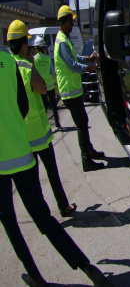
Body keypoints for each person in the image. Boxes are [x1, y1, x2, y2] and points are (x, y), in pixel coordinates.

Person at [0, 46, 111, 287]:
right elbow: (22, 104)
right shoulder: (8, 61)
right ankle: (87, 266)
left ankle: (36, 278)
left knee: (9, 222)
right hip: (21, 152)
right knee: (44, 218)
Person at [8, 22, 77, 219]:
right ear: (23, 45)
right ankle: (63, 206)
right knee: (51, 173)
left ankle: (42, 216)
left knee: (32, 180)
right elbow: (43, 89)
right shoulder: (25, 66)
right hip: (38, 132)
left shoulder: (7, 67)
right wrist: (31, 64)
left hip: (21, 134)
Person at [53, 6, 105, 172]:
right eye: (71, 21)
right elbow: (73, 65)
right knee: (82, 125)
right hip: (69, 92)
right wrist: (90, 67)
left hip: (73, 90)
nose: (73, 24)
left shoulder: (64, 39)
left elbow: (75, 57)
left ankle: (89, 151)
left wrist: (88, 58)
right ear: (64, 21)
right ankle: (86, 160)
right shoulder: (61, 42)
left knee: (83, 121)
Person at [31, 37, 60, 129]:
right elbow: (53, 73)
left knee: (43, 108)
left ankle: (45, 126)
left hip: (40, 88)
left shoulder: (34, 59)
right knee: (54, 106)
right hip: (50, 86)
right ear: (44, 47)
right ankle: (57, 124)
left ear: (36, 48)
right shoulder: (48, 59)